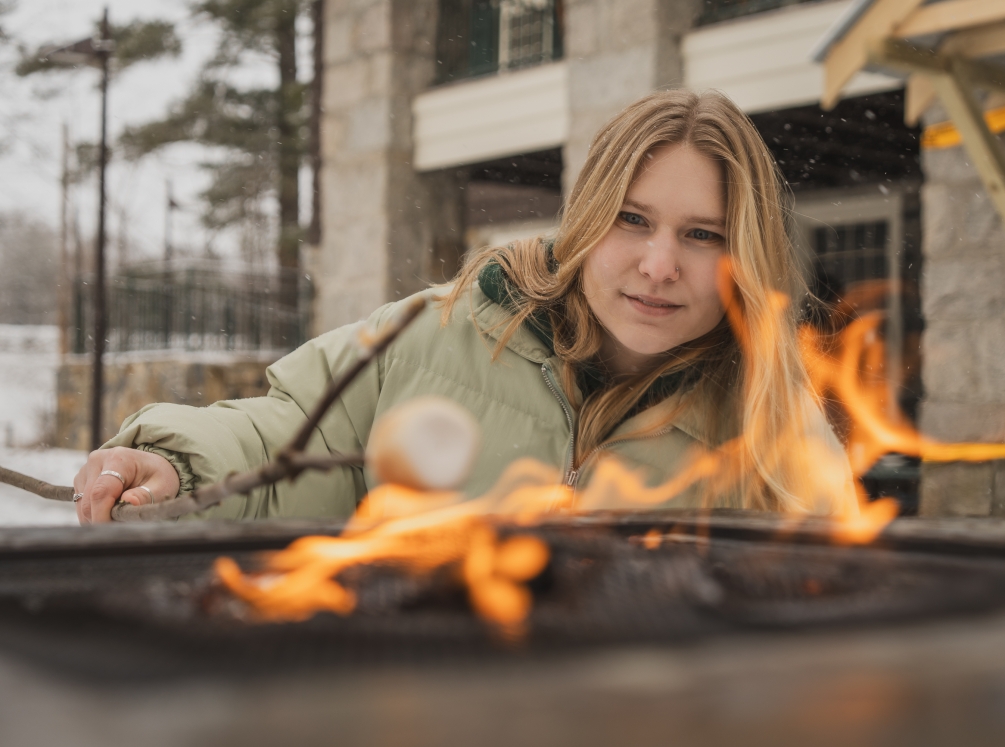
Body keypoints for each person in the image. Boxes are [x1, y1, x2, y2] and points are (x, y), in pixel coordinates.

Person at [72, 89, 855, 525]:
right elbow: (283, 439)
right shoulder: (433, 335)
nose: (660, 265)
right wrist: (176, 464)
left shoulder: (772, 426)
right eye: (633, 219)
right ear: (586, 218)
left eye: (703, 235)